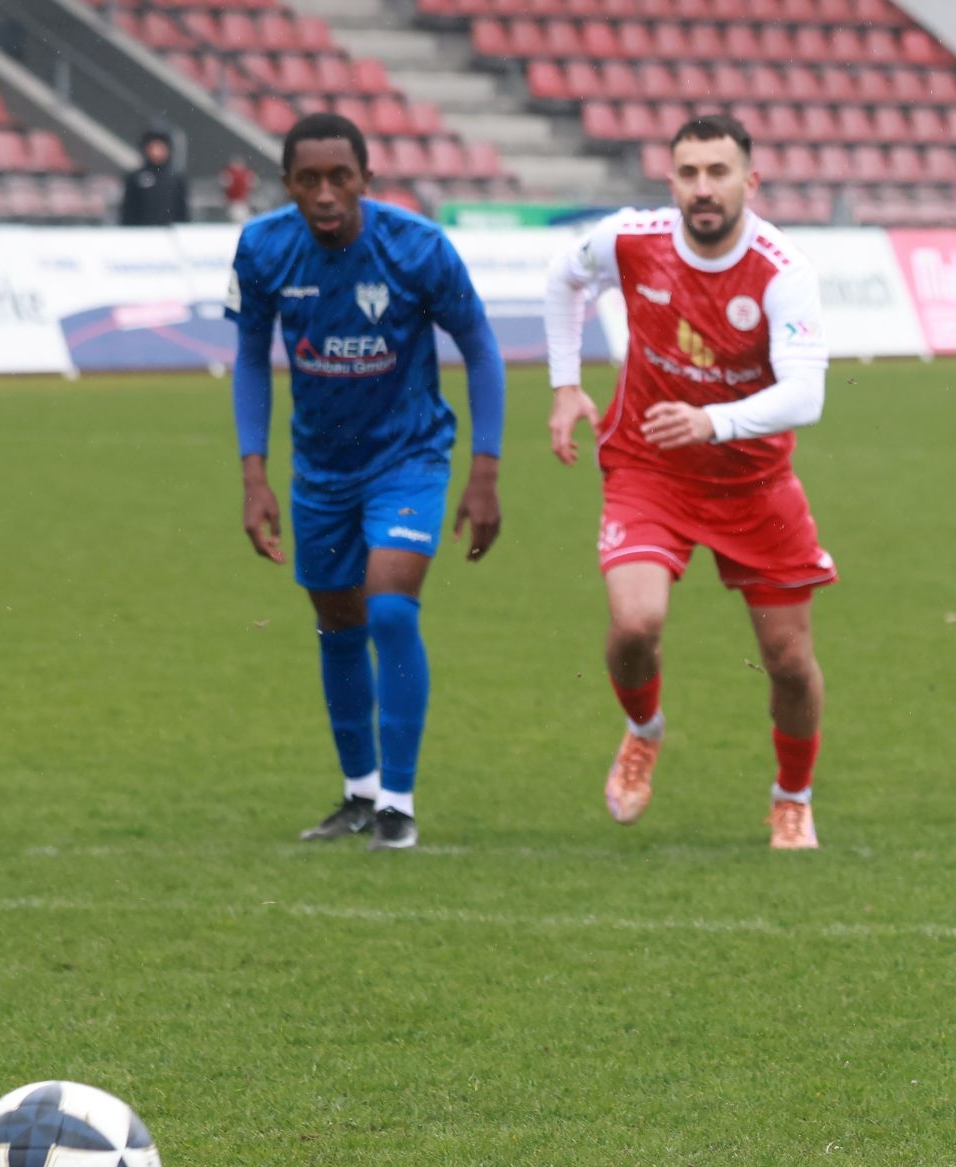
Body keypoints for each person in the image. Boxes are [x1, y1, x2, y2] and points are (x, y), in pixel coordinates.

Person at [542, 114, 835, 850]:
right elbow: (563, 277)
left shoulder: (781, 269)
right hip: (650, 468)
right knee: (635, 623)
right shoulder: (631, 240)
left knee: (790, 663)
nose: (703, 189)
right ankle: (644, 730)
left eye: (718, 172)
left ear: (749, 181)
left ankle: (791, 796)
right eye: (689, 173)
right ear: (671, 180)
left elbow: (807, 395)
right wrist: (564, 384)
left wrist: (715, 422)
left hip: (754, 483)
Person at [225, 112, 505, 850]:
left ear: (366, 181)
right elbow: (251, 359)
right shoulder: (260, 250)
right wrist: (254, 476)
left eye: (339, 178)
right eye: (308, 180)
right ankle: (358, 792)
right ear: (287, 185)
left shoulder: (417, 248)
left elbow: (481, 347)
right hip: (319, 469)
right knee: (338, 625)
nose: (325, 194)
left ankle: (398, 805)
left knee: (389, 612)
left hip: (407, 459)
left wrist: (486, 469)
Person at [120, 128, 189, 226]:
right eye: (152, 147)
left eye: (160, 147)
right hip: (142, 234)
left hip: (169, 233)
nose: (156, 151)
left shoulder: (176, 178)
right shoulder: (135, 178)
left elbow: (182, 211)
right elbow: (128, 210)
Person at [220, 156, 256, 225]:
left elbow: (253, 183)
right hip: (234, 201)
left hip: (241, 201)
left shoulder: (245, 173)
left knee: (242, 218)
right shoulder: (230, 173)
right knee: (239, 217)